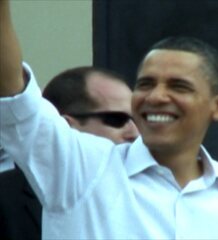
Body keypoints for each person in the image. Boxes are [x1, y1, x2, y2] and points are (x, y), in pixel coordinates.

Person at [0, 1, 218, 239]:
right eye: (145, 84)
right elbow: (14, 95)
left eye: (178, 86)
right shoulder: (81, 168)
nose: (156, 96)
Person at [0, 65, 139, 240]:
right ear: (66, 126)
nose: (134, 133)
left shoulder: (149, 192)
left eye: (140, 120)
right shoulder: (6, 197)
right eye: (116, 120)